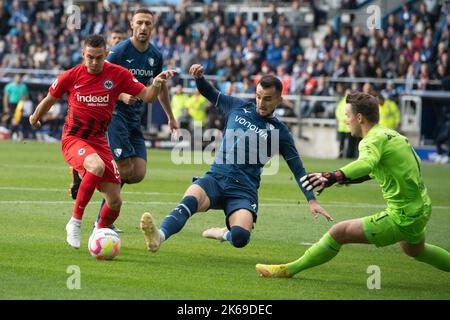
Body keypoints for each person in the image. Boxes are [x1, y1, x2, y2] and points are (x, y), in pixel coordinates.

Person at [140, 63, 331, 253]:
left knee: (240, 237)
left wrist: (311, 200)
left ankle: (223, 233)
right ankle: (159, 235)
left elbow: (298, 170)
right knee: (189, 199)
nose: (261, 103)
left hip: (243, 190)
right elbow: (210, 93)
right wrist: (199, 78)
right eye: (258, 97)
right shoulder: (237, 107)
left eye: (267, 99)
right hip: (215, 178)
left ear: (279, 100)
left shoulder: (281, 133)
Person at [256, 92, 450, 278]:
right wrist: (338, 180)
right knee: (415, 250)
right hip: (421, 207)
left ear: (359, 118)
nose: (345, 120)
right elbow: (378, 169)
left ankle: (287, 270)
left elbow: (365, 164)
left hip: (403, 216)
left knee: (338, 232)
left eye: (347, 115)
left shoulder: (370, 141)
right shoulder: (392, 136)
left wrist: (334, 176)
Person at [29, 34, 176, 249]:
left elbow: (147, 96)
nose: (94, 62)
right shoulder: (71, 76)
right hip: (74, 138)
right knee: (95, 166)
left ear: (106, 55)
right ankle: (75, 222)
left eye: (99, 57)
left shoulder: (118, 74)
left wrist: (156, 82)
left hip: (99, 142)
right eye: (90, 57)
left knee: (115, 201)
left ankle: (99, 232)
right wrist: (34, 118)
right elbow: (50, 98)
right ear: (83, 55)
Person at [70, 9, 179, 233]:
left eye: (148, 23)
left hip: (134, 118)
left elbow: (159, 87)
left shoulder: (155, 56)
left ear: (153, 26)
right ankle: (103, 220)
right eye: (139, 22)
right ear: (132, 24)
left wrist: (170, 116)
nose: (144, 27)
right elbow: (100, 79)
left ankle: (86, 176)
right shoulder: (119, 52)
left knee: (137, 172)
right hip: (114, 115)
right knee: (122, 167)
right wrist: (120, 95)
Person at [2, 74, 29, 140]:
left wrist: (23, 99)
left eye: (19, 78)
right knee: (12, 119)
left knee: (16, 119)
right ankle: (14, 133)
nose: (18, 79)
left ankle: (13, 134)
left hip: (19, 105)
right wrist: (6, 107)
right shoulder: (9, 86)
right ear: (14, 78)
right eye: (17, 78)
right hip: (11, 104)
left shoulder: (23, 86)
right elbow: (5, 97)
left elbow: (26, 96)